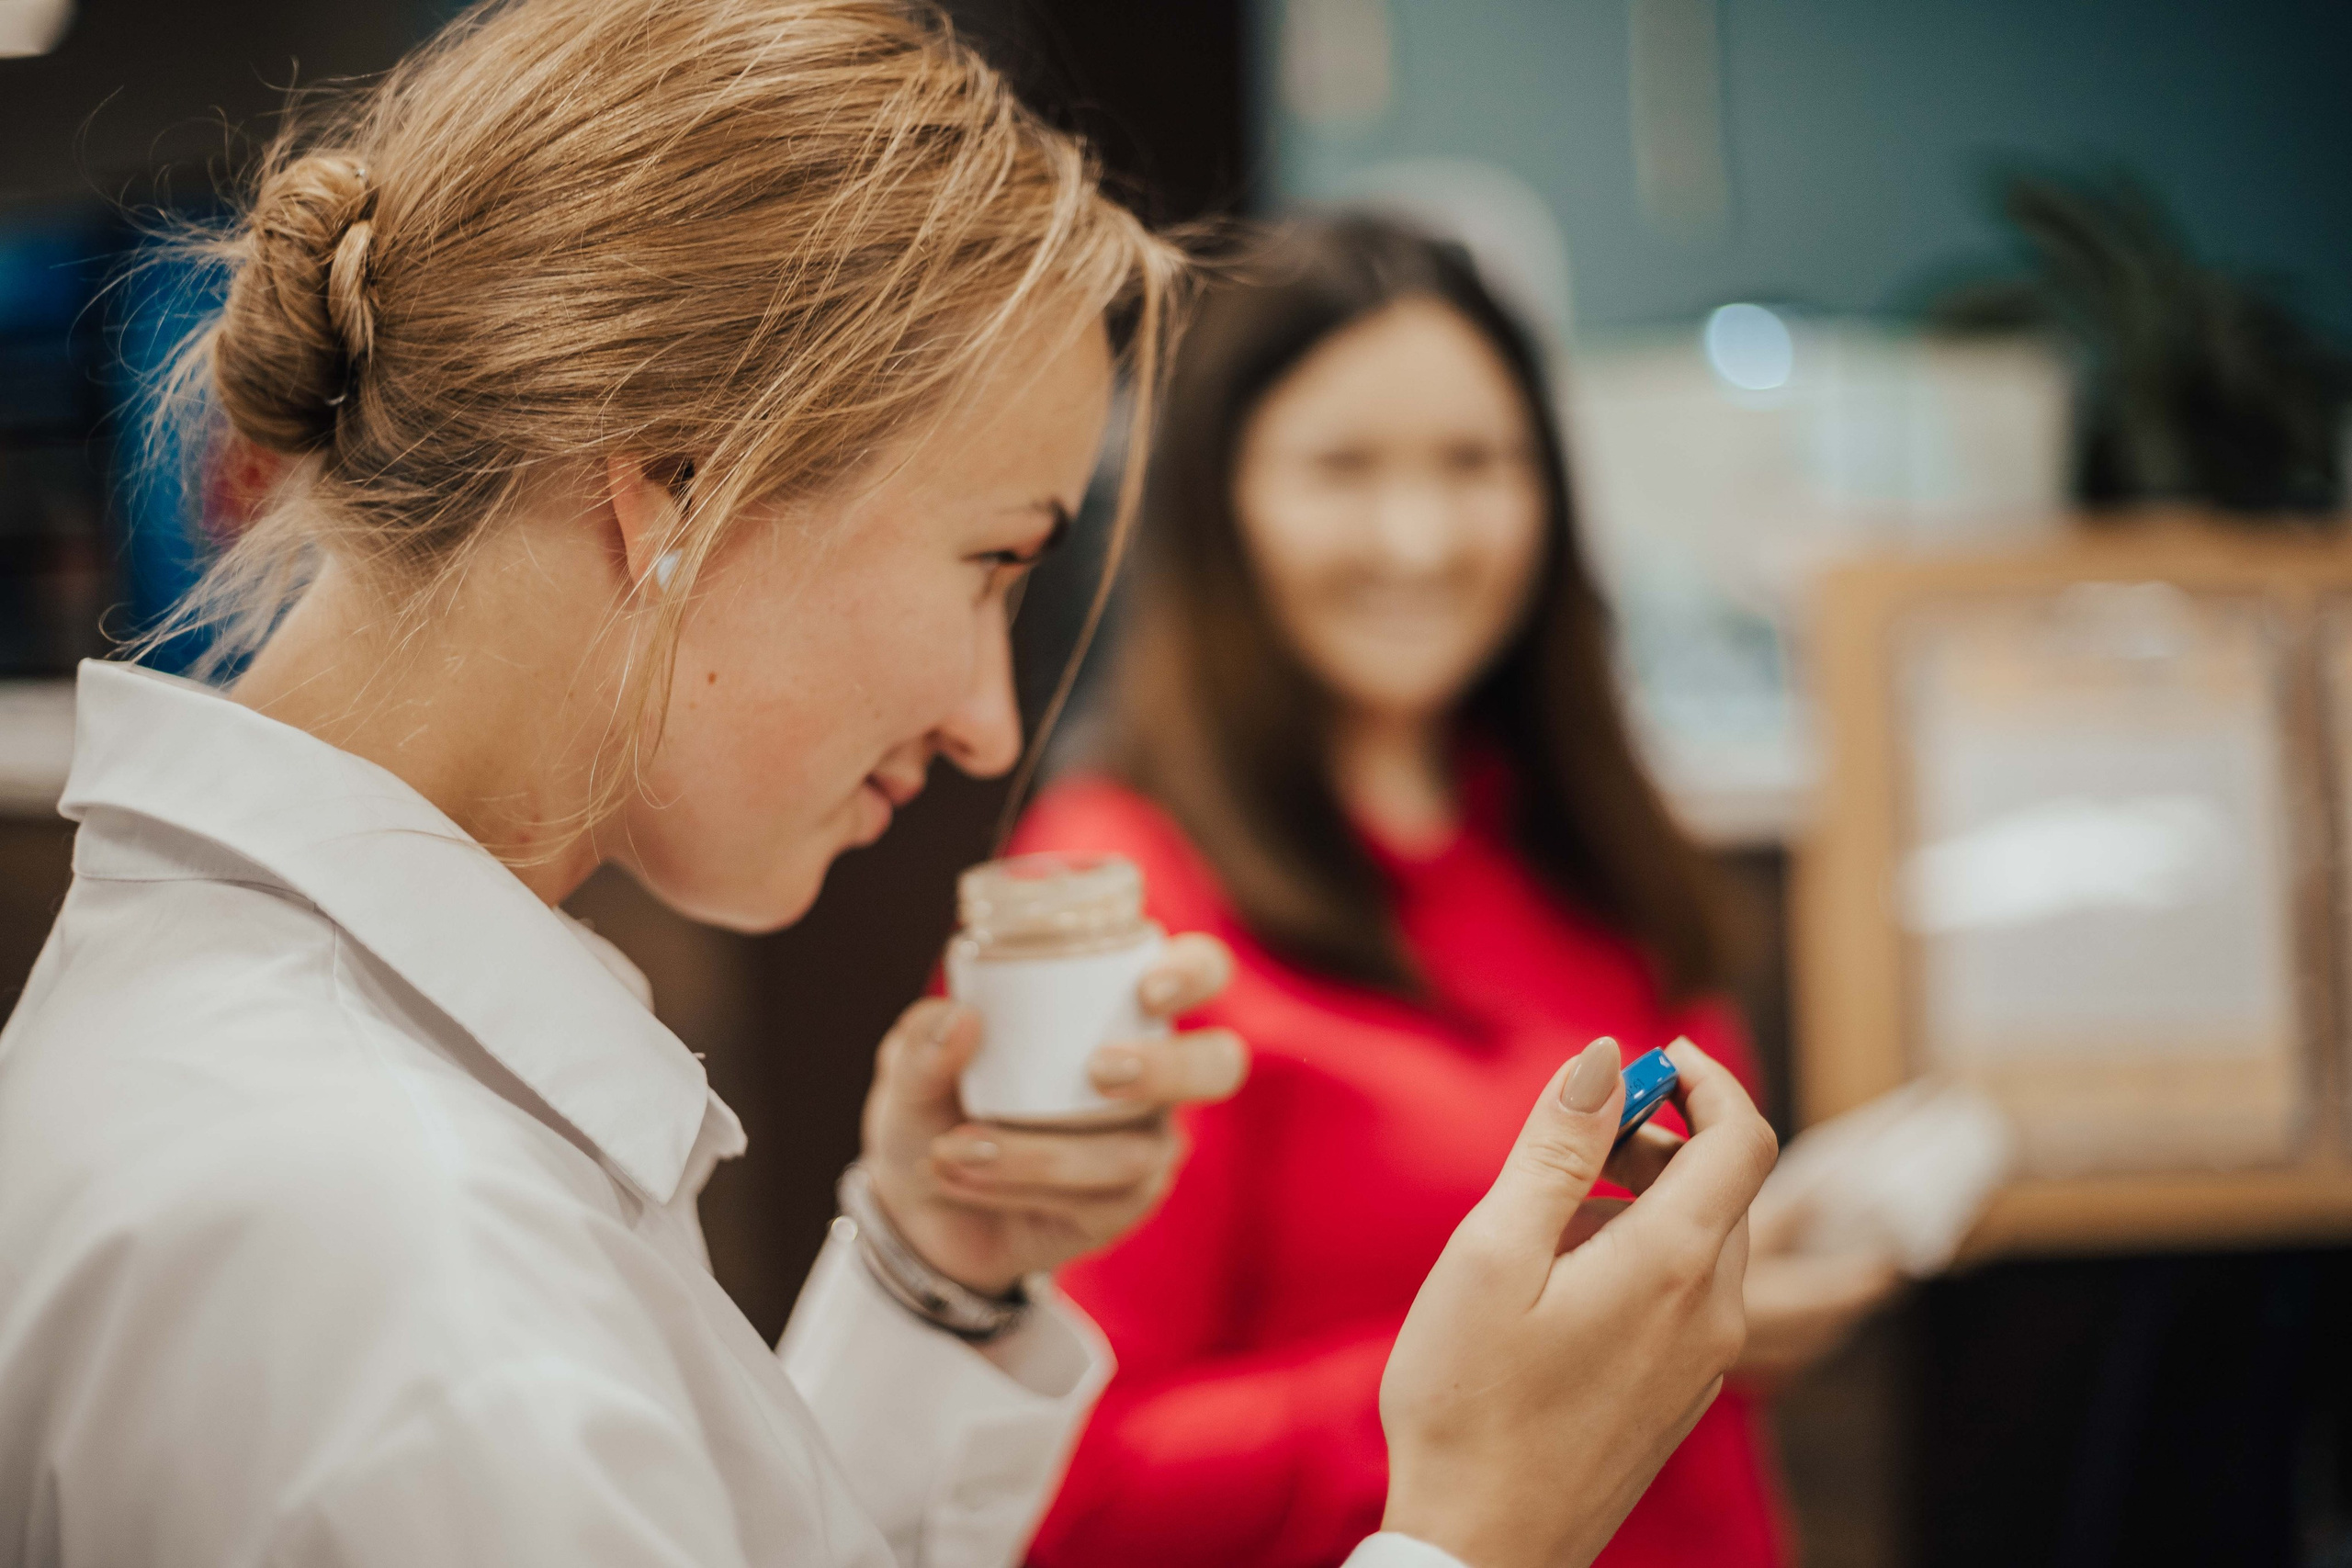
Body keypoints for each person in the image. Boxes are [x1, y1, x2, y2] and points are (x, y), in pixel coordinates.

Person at [0, 6, 1779, 1568]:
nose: (993, 724)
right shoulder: (396, 1257)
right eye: (993, 562)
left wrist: (938, 1272)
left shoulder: (323, 1122)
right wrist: (1469, 1524)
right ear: (675, 491)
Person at [1009, 216, 1894, 1568]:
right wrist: (1525, 1369)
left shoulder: (1592, 833)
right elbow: (1067, 1487)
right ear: (1219, 498)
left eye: (1474, 464)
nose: (1419, 538)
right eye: (1343, 469)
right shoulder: (1109, 891)